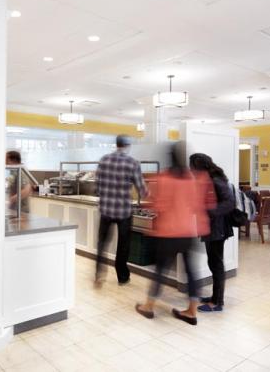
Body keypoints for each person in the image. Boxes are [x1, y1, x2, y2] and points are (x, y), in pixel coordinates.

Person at [135, 143, 212, 325]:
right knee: (192, 272)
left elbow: (157, 204)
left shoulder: (164, 177)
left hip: (168, 232)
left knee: (160, 270)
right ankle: (192, 311)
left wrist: (151, 204)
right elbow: (198, 206)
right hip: (187, 232)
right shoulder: (191, 179)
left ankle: (148, 306)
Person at [94, 135, 146, 287]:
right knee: (123, 245)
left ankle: (99, 275)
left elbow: (97, 186)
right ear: (128, 145)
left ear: (116, 144)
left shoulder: (104, 160)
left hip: (105, 209)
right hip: (124, 211)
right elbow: (142, 189)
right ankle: (122, 277)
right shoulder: (132, 163)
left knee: (102, 243)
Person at [189, 153, 235, 313]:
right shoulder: (208, 180)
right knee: (213, 263)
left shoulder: (216, 180)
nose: (191, 170)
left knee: (216, 264)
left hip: (218, 228)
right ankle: (215, 298)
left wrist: (209, 211)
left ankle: (217, 302)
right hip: (211, 228)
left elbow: (230, 202)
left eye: (192, 167)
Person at [5, 151, 32, 215]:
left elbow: (27, 190)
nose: (4, 161)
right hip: (13, 209)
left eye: (6, 159)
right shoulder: (12, 171)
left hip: (21, 210)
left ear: (13, 160)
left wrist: (11, 200)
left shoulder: (21, 171)